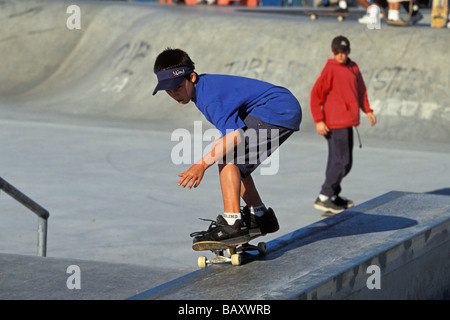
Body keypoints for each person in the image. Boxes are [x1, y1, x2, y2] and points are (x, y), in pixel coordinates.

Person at [152, 48, 302, 243]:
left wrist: (201, 165)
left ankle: (232, 224)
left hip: (277, 110)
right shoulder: (206, 87)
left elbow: (233, 139)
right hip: (277, 107)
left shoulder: (210, 98)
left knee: (226, 156)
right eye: (169, 90)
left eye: (178, 87)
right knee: (231, 157)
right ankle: (260, 216)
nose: (174, 94)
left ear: (192, 77)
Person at [310, 36, 376, 215]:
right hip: (334, 123)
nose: (341, 55)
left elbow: (360, 90)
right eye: (337, 52)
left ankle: (332, 196)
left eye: (344, 52)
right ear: (332, 52)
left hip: (347, 122)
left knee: (342, 162)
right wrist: (319, 120)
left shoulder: (353, 67)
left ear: (349, 52)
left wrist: (367, 110)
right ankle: (324, 196)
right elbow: (316, 95)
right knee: (341, 161)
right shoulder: (330, 69)